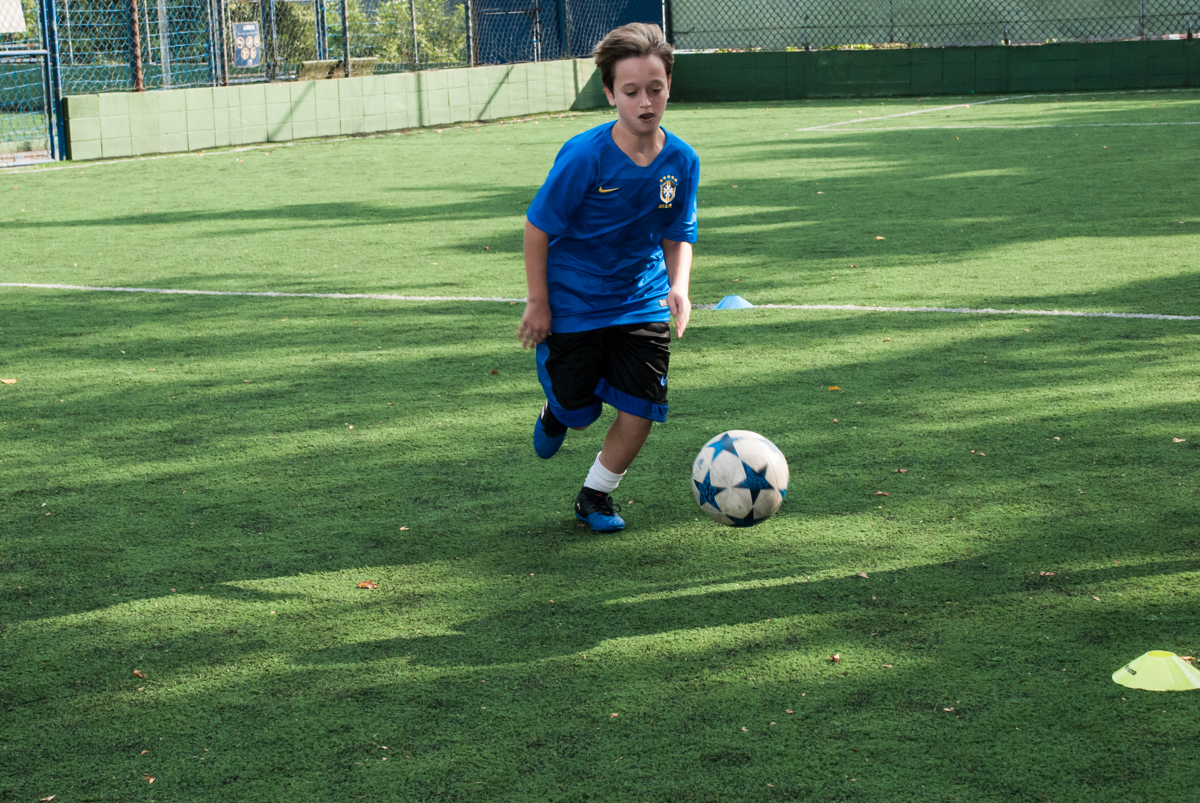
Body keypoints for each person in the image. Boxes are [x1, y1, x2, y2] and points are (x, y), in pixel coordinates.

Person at [516, 22, 699, 533]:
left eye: (655, 89)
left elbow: (678, 232)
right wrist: (538, 301)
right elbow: (537, 226)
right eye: (631, 91)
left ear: (669, 86)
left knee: (642, 408)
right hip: (574, 300)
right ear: (610, 93)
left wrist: (678, 286)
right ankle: (558, 410)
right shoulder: (584, 156)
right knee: (581, 413)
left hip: (641, 299)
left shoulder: (682, 160)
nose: (646, 102)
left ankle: (595, 496)